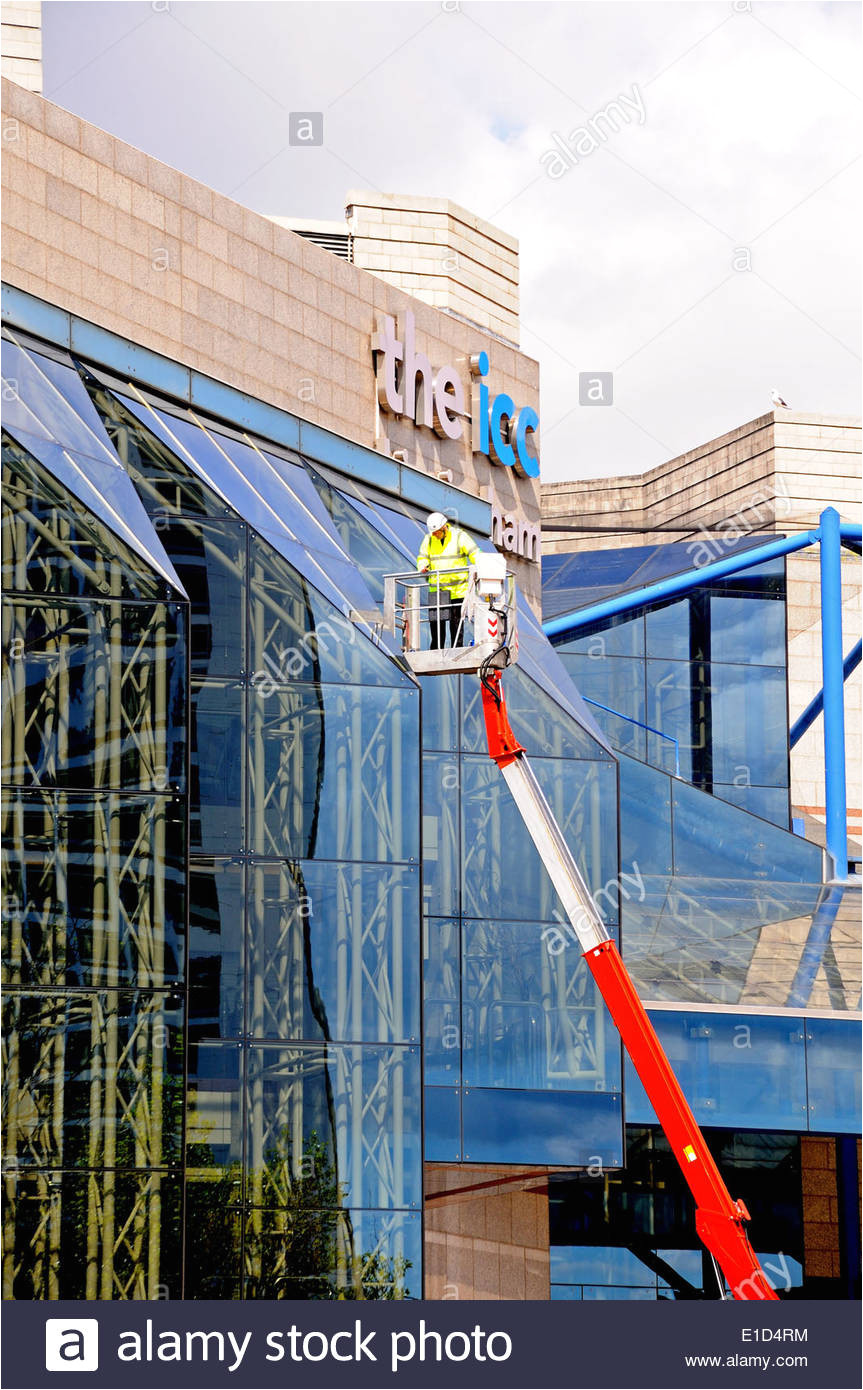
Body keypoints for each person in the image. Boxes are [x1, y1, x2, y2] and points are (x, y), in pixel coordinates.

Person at [416, 512, 480, 649]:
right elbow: (422, 557)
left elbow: (475, 553)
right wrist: (423, 566)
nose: (435, 535)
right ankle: (436, 650)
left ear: (444, 527)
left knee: (456, 624)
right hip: (437, 589)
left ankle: (456, 650)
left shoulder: (459, 536)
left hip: (458, 590)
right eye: (433, 533)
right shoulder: (428, 539)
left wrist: (480, 567)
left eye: (437, 532)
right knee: (436, 623)